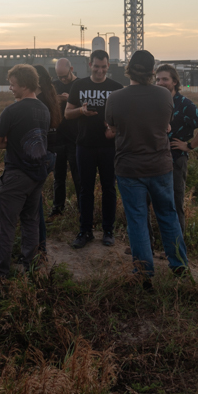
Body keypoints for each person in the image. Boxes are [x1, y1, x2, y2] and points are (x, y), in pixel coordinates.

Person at [105, 50, 188, 287]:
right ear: (153, 71)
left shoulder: (115, 98)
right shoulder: (164, 95)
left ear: (128, 69)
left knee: (137, 220)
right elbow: (166, 125)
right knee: (168, 215)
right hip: (161, 166)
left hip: (129, 168)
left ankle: (143, 273)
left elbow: (112, 128)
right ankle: (180, 265)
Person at [0, 65, 50, 294]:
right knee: (30, 222)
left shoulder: (12, 111)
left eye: (13, 84)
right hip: (37, 175)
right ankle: (30, 268)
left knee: (6, 227)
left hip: (16, 176)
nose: (10, 88)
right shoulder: (44, 109)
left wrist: (14, 142)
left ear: (25, 85)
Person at [65, 50, 122, 248]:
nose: (100, 70)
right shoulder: (79, 85)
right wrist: (81, 110)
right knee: (85, 189)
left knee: (109, 189)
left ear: (108, 66)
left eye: (103, 67)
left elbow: (123, 118)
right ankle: (85, 231)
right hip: (85, 145)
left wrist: (113, 129)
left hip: (109, 147)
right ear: (90, 65)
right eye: (96, 66)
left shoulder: (116, 88)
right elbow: (67, 114)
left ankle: (108, 231)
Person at [156, 64, 198, 235]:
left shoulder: (184, 104)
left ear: (174, 81)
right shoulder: (155, 101)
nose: (160, 82)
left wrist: (188, 146)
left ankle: (177, 247)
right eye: (157, 79)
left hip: (175, 160)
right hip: (153, 159)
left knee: (174, 203)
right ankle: (149, 243)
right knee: (150, 201)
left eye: (165, 79)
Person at [34, 64, 62, 253]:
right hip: (51, 153)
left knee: (34, 205)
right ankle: (39, 246)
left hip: (41, 155)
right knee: (35, 202)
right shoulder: (50, 94)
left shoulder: (38, 101)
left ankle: (39, 248)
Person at [49, 57, 81, 216]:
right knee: (58, 177)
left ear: (71, 69)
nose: (62, 79)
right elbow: (47, 102)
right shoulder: (54, 85)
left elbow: (86, 105)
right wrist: (58, 99)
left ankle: (83, 209)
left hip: (76, 138)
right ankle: (57, 208)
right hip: (58, 138)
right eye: (59, 76)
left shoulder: (80, 84)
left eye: (64, 76)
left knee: (78, 177)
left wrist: (69, 99)